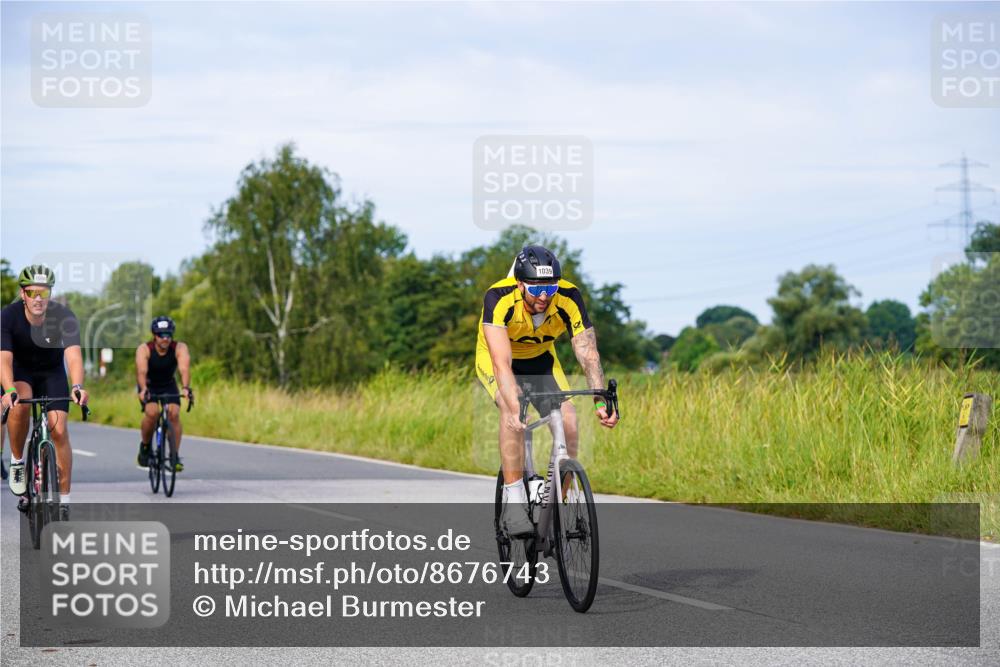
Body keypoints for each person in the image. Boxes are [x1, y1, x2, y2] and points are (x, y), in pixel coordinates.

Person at [476, 246, 618, 536]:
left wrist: (599, 398)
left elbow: (587, 351)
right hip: (499, 359)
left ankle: (553, 505)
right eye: (536, 289)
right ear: (519, 285)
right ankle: (514, 500)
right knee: (511, 408)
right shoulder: (498, 297)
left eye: (550, 287)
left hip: (541, 359)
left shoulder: (568, 296)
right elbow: (501, 362)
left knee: (569, 419)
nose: (544, 296)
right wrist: (513, 406)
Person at [0, 264, 89, 519]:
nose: (38, 298)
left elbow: (74, 357)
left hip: (52, 373)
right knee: (20, 404)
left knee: (58, 430)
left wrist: (77, 386)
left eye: (44, 292)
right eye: (32, 292)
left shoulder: (64, 316)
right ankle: (18, 461)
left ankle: (65, 500)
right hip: (21, 373)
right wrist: (8, 389)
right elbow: (4, 359)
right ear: (23, 294)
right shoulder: (8, 316)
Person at [135, 316, 192, 471]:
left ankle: (174, 455)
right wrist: (143, 389)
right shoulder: (144, 349)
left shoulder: (179, 348)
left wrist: (186, 388)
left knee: (174, 414)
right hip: (149, 385)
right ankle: (145, 446)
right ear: (154, 335)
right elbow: (141, 371)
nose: (165, 338)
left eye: (168, 335)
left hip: (168, 384)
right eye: (161, 335)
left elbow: (184, 369)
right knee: (152, 413)